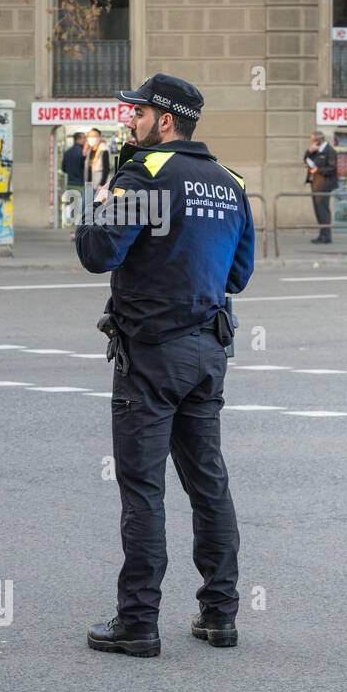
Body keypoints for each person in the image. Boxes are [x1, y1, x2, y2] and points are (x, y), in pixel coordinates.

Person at [75, 73, 256, 657]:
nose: (130, 120)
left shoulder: (146, 174)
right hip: (208, 353)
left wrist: (97, 200)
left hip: (150, 355)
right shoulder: (230, 182)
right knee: (208, 483)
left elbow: (97, 252)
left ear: (166, 121)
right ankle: (220, 615)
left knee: (143, 489)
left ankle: (138, 623)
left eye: (139, 112)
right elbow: (238, 276)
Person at [304, 130, 338, 244]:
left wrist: (317, 170)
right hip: (315, 184)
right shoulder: (315, 150)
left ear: (318, 140)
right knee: (318, 210)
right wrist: (309, 151)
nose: (311, 142)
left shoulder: (329, 151)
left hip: (324, 184)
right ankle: (322, 234)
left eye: (312, 139)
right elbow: (306, 160)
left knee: (323, 210)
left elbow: (332, 168)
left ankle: (326, 236)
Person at [83, 128, 112, 195]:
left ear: (99, 137)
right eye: (90, 136)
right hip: (89, 185)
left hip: (99, 186)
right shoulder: (89, 150)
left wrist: (101, 184)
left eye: (94, 136)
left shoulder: (104, 150)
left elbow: (106, 169)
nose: (91, 138)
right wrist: (84, 151)